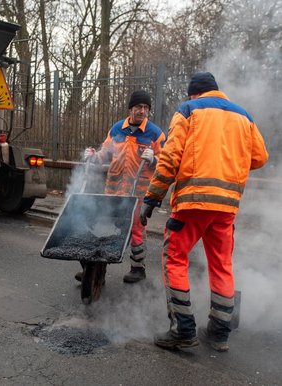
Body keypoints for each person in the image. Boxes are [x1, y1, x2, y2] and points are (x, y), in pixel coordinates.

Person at [140, 72, 269, 352]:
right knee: (221, 265)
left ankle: (183, 330)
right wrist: (230, 162)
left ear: (193, 94)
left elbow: (170, 158)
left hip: (193, 202)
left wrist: (152, 197)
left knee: (174, 259)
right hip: (226, 207)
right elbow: (260, 157)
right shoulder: (244, 116)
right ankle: (219, 333)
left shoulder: (188, 111)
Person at [77, 90, 166, 283]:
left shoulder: (155, 134)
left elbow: (168, 162)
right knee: (105, 226)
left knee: (136, 229)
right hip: (113, 191)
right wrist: (93, 157)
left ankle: (138, 268)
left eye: (145, 108)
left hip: (139, 194)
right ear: (130, 109)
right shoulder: (117, 129)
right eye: (138, 107)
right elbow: (104, 154)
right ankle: (97, 268)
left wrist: (155, 159)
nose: (142, 111)